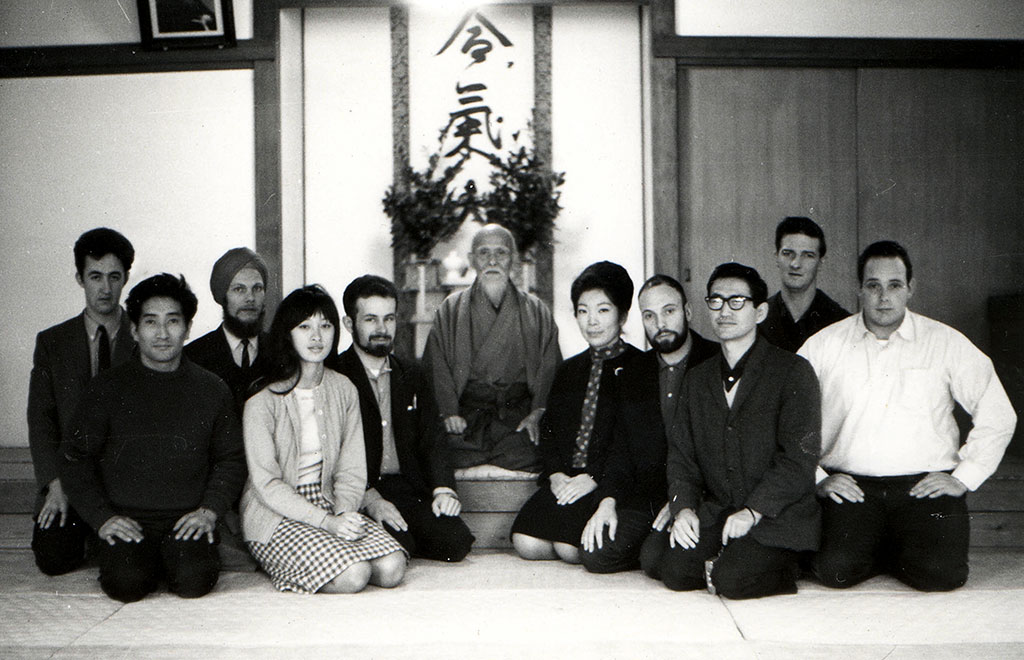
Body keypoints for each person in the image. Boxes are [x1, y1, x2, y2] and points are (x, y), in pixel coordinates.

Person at [799, 240, 1017, 591]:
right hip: (851, 488)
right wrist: (818, 478)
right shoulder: (824, 345)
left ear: (910, 289)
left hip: (924, 487)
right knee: (835, 570)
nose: (883, 297)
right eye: (873, 286)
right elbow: (788, 417)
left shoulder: (945, 342)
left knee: (942, 574)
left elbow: (998, 413)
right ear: (859, 289)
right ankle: (884, 546)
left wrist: (964, 476)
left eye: (895, 285)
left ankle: (889, 546)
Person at [60, 274, 246, 603]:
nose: (162, 333)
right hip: (126, 518)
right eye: (150, 322)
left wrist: (209, 511)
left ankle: (171, 559)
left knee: (194, 581)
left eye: (172, 321)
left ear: (188, 328)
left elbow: (231, 459)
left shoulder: (212, 389)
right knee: (126, 584)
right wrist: (103, 518)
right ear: (134, 330)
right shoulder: (106, 388)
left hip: (187, 518)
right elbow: (75, 459)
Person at [642, 263, 821, 599]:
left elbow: (799, 461)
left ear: (760, 311)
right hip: (722, 509)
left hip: (775, 514)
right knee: (663, 563)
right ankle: (728, 557)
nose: (724, 311)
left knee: (731, 581)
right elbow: (682, 457)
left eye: (737, 301)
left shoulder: (793, 371)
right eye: (716, 301)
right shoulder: (697, 379)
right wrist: (684, 509)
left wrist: (753, 511)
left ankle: (783, 564)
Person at [241, 285, 407, 594]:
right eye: (305, 327)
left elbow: (351, 468)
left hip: (329, 501)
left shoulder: (344, 389)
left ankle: (325, 556)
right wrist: (326, 523)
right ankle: (283, 564)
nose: (317, 337)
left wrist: (343, 514)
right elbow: (267, 485)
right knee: (354, 575)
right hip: (276, 513)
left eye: (325, 326)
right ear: (287, 333)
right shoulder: (262, 402)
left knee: (392, 567)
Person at [580, 274, 718, 573]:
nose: (660, 323)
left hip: (703, 495)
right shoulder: (634, 370)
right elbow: (620, 448)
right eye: (649, 315)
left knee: (659, 561)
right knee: (596, 553)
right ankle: (654, 542)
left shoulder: (715, 361)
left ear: (688, 312)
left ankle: (659, 546)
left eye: (669, 311)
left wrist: (684, 501)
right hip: (650, 496)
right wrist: (607, 501)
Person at [334, 275, 474, 562]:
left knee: (456, 542)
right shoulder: (336, 374)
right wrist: (370, 500)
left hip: (407, 487)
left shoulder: (412, 373)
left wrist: (443, 490)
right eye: (370, 319)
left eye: (389, 319)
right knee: (399, 544)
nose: (382, 329)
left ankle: (400, 536)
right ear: (349, 324)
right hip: (361, 489)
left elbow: (433, 437)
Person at [511, 262, 641, 564]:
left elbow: (630, 445)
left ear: (622, 315)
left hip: (607, 483)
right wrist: (556, 474)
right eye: (583, 311)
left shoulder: (640, 368)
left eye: (603, 310)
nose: (592, 321)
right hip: (567, 479)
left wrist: (594, 478)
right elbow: (551, 430)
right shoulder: (569, 369)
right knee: (525, 543)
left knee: (569, 549)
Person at [27, 227, 136, 576]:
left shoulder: (145, 337)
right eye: (95, 276)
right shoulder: (52, 343)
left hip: (127, 485)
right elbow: (41, 420)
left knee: (130, 561)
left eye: (114, 277)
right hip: (70, 481)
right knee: (53, 558)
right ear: (79, 278)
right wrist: (54, 485)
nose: (105, 288)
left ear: (126, 278)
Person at [424, 223, 561, 471]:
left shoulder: (536, 311)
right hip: (466, 415)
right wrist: (449, 412)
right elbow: (437, 367)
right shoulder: (450, 309)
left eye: (501, 253)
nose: (492, 261)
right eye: (484, 253)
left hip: (517, 416)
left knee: (537, 450)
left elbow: (550, 369)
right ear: (471, 260)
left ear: (514, 260)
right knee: (439, 450)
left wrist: (537, 413)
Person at [185, 247, 271, 415]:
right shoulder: (193, 357)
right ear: (223, 296)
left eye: (257, 288)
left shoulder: (282, 351)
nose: (250, 298)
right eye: (239, 289)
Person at [760, 217, 848, 352]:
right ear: (776, 257)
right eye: (788, 253)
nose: (795, 264)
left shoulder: (841, 322)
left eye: (808, 255)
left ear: (821, 262)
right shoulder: (757, 318)